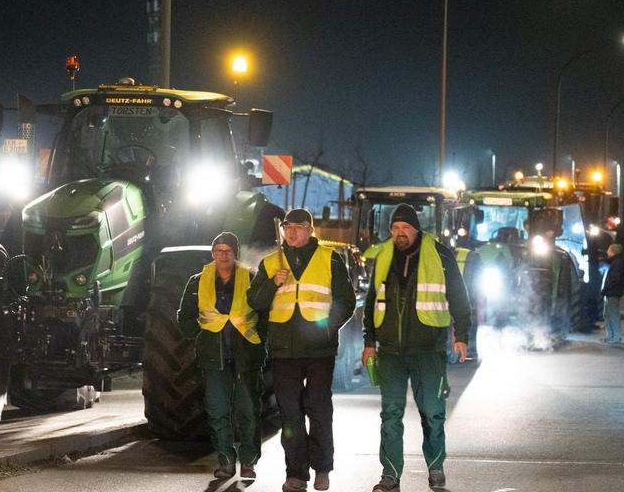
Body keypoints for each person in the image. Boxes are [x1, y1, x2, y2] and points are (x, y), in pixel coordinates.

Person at [361, 204, 472, 492]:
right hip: (390, 352)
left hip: (428, 350)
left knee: (432, 412)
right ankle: (390, 475)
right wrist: (369, 342)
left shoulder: (440, 254)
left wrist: (462, 335)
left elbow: (459, 296)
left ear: (416, 229)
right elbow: (372, 301)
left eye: (405, 228)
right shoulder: (383, 255)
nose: (400, 233)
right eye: (395, 228)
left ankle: (436, 468)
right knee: (390, 415)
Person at [247, 208, 356, 492]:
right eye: (288, 227)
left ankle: (322, 468)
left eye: (298, 227)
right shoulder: (270, 262)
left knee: (319, 409)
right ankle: (296, 474)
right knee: (290, 414)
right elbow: (255, 301)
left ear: (310, 230)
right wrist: (273, 283)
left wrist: (328, 327)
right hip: (284, 350)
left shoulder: (329, 258)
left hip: (320, 350)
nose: (292, 232)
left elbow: (346, 301)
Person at [177, 232, 266, 480]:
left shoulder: (251, 278)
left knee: (248, 410)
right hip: (213, 356)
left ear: (235, 253)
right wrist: (198, 336)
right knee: (217, 410)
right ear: (212, 253)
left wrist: (262, 339)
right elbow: (185, 315)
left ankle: (248, 461)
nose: (223, 255)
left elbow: (265, 313)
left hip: (246, 355)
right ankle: (226, 461)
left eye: (228, 251)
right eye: (218, 250)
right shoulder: (197, 282)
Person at [601, 243, 624, 344]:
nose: (607, 252)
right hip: (610, 292)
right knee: (607, 314)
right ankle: (610, 335)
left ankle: (616, 336)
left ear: (613, 252)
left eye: (608, 250)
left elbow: (615, 279)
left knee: (613, 315)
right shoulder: (615, 262)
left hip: (613, 292)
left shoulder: (617, 263)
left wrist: (606, 288)